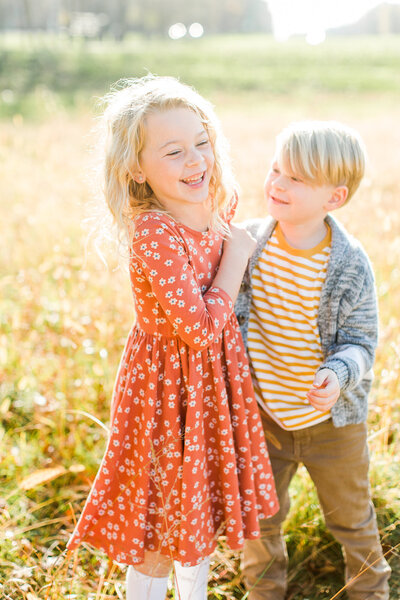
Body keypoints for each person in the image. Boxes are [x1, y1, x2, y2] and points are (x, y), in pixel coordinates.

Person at [66, 75, 279, 600]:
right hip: (165, 393)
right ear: (137, 169)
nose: (195, 161)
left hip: (211, 389)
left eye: (202, 142)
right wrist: (236, 258)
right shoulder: (154, 233)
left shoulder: (219, 208)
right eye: (174, 151)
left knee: (197, 511)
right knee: (163, 519)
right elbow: (201, 330)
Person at [235, 121, 391, 599]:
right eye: (276, 170)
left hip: (332, 424)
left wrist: (337, 372)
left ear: (334, 197)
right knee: (261, 519)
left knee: (351, 517)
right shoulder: (246, 245)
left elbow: (363, 342)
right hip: (264, 415)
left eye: (297, 178)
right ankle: (264, 591)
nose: (278, 184)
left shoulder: (348, 263)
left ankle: (369, 590)